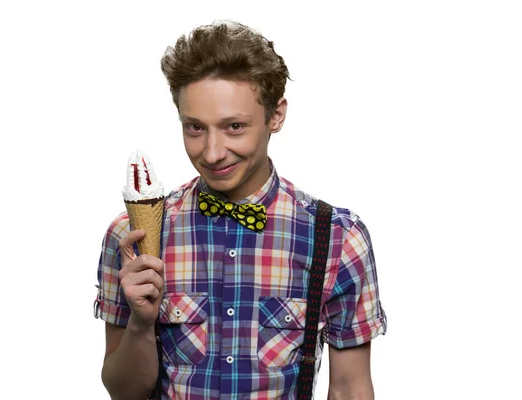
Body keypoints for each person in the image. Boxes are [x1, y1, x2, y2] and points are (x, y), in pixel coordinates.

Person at [94, 20, 387, 400]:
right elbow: (123, 392)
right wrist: (139, 324)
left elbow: (350, 389)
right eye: (195, 128)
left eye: (234, 126)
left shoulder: (336, 238)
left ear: (276, 116)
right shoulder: (131, 237)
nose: (212, 153)